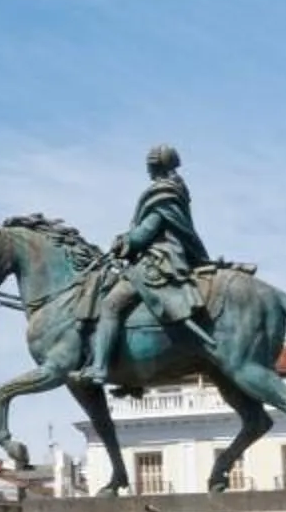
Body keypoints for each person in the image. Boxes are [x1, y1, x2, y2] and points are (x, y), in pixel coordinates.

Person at [88, 142, 216, 390]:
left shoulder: (162, 193)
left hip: (160, 259)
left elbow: (147, 230)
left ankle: (100, 367)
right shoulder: (176, 189)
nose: (147, 168)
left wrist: (125, 240)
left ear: (156, 165)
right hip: (161, 255)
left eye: (150, 163)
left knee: (110, 304)